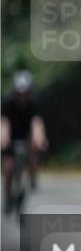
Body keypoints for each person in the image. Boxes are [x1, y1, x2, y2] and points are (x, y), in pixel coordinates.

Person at [2, 70, 48, 209]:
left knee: (34, 152)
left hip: (27, 137)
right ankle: (8, 195)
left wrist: (40, 139)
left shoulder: (33, 104)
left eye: (25, 93)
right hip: (11, 137)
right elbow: (3, 123)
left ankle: (33, 175)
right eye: (19, 93)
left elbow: (37, 123)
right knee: (9, 167)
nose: (22, 96)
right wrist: (3, 139)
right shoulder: (7, 103)